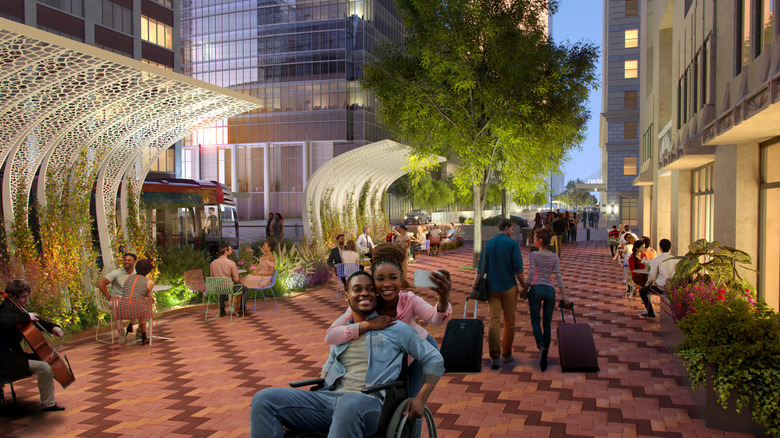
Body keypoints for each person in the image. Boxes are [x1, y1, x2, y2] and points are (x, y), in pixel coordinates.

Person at [251, 271, 445, 437]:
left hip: (369, 403)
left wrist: (421, 397)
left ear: (376, 296)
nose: (364, 293)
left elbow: (434, 358)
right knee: (264, 399)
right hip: (330, 399)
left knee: (350, 403)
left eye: (370, 289)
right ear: (347, 296)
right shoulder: (343, 331)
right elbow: (330, 361)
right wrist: (324, 378)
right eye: (357, 289)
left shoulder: (396, 329)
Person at [325, 243, 451, 398]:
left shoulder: (409, 300)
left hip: (417, 352)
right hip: (391, 357)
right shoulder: (367, 302)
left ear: (400, 277)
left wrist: (443, 300)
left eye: (393, 277)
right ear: (373, 278)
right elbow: (331, 335)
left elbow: (436, 319)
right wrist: (367, 325)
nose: (387, 284)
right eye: (380, 278)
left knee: (409, 401)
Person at [0, 279, 65, 411]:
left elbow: (35, 320)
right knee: (44, 367)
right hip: (6, 359)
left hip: (16, 355)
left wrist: (53, 327)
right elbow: (5, 319)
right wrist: (26, 317)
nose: (26, 300)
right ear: (14, 296)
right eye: (24, 297)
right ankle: (48, 404)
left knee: (47, 359)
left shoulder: (16, 308)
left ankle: (49, 402)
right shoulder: (5, 309)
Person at [470, 218, 526, 370]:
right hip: (509, 288)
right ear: (507, 228)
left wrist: (474, 288)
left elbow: (480, 270)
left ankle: (494, 356)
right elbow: (518, 270)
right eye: (512, 228)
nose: (513, 231)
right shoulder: (513, 245)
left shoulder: (488, 245)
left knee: (493, 320)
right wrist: (524, 287)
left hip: (492, 288)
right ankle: (506, 355)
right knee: (509, 322)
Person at [523, 229, 566, 371]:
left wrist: (525, 288)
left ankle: (540, 346)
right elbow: (558, 277)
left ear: (540, 241)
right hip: (549, 290)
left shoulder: (533, 255)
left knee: (535, 321)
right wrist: (564, 296)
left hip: (536, 289)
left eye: (535, 238)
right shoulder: (554, 257)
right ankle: (545, 351)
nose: (533, 240)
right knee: (547, 323)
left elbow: (530, 275)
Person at [97, 252, 137, 341]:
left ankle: (139, 331)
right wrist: (109, 297)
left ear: (134, 262)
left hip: (132, 299)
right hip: (118, 299)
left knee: (144, 304)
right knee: (115, 305)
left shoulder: (137, 272)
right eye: (125, 260)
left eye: (129, 260)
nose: (126, 262)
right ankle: (121, 333)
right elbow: (100, 284)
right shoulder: (117, 272)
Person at [638, 239, 678, 318]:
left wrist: (647, 284)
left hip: (661, 288)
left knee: (642, 291)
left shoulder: (657, 260)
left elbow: (652, 277)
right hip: (673, 287)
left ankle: (650, 313)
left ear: (660, 248)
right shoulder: (675, 259)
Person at [121, 259, 156, 345]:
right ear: (148, 270)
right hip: (138, 311)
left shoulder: (127, 278)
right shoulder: (149, 282)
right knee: (141, 308)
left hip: (123, 310)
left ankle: (130, 323)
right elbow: (146, 296)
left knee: (135, 303)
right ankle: (144, 335)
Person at [210, 243, 247, 317]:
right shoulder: (231, 263)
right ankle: (242, 310)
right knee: (244, 288)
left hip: (217, 287)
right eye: (230, 249)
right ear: (226, 251)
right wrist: (239, 283)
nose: (231, 251)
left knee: (222, 288)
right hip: (229, 288)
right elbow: (236, 279)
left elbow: (212, 277)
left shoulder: (213, 263)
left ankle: (222, 310)